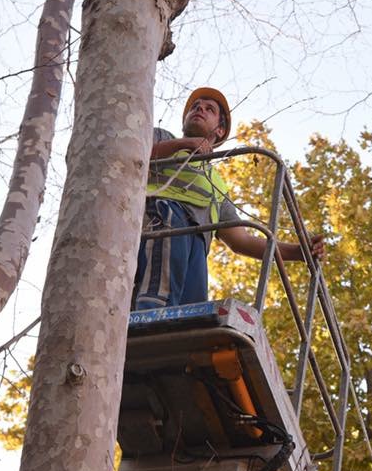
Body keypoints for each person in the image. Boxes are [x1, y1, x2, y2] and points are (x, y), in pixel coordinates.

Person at [133, 87, 324, 310]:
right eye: (195, 107)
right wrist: (183, 145)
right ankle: (147, 313)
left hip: (196, 247)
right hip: (161, 222)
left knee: (188, 311)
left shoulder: (218, 185)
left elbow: (240, 240)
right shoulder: (164, 139)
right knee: (158, 298)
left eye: (209, 109)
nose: (199, 110)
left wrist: (297, 252)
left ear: (220, 130)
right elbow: (132, 156)